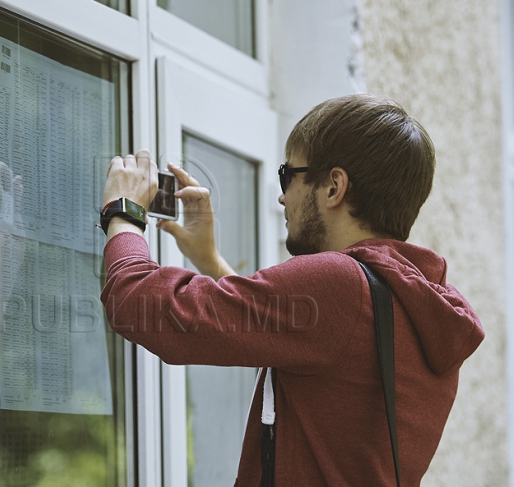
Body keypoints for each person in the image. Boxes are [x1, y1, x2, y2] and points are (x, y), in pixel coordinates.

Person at [98, 94, 484, 486]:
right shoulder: (415, 302)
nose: (282, 196)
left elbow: (138, 302)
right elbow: (303, 347)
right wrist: (210, 260)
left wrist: (124, 209)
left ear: (334, 187)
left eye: (288, 175)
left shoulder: (341, 285)